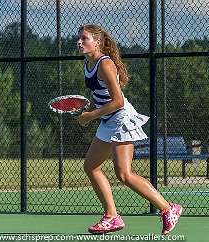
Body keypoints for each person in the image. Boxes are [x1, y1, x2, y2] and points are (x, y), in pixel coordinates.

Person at [76, 24, 182, 235]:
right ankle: (111, 216)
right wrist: (88, 110)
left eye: (84, 38)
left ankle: (168, 208)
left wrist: (91, 116)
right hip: (107, 120)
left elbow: (117, 102)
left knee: (123, 173)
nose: (79, 42)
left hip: (121, 118)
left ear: (97, 42)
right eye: (78, 39)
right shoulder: (88, 64)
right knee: (91, 166)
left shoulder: (105, 64)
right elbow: (97, 94)